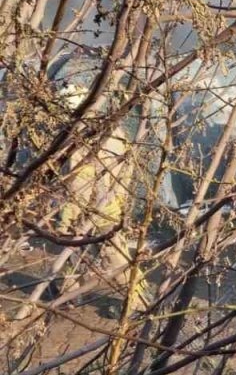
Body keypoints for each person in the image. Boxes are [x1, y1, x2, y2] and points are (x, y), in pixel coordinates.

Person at [52, 83, 150, 315]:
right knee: (113, 252)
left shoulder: (78, 136)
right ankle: (69, 292)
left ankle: (137, 302)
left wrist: (67, 216)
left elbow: (78, 181)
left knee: (101, 253)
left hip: (90, 206)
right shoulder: (113, 129)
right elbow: (127, 171)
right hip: (111, 202)